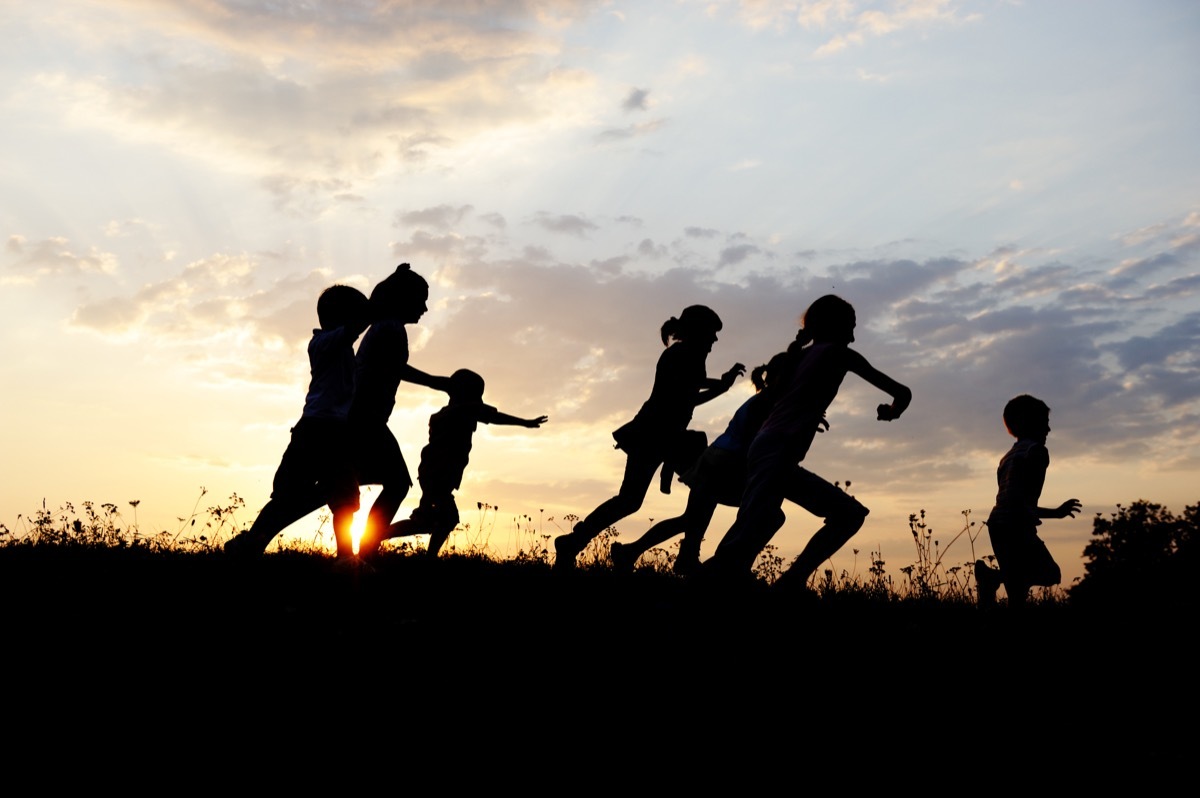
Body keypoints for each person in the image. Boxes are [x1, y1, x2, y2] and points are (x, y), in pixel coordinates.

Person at [708, 295, 912, 587]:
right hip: (777, 448)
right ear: (834, 326)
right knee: (751, 527)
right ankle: (709, 587)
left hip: (771, 448)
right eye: (851, 327)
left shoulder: (798, 358)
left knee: (841, 515)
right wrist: (892, 412)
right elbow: (902, 392)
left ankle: (783, 583)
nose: (853, 337)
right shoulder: (840, 354)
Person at [554, 305, 745, 571]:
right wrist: (721, 388)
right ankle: (575, 542)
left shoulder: (687, 355)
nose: (715, 340)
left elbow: (691, 387)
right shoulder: (682, 355)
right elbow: (687, 395)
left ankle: (576, 543)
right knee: (633, 500)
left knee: (691, 492)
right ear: (698, 331)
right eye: (712, 333)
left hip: (664, 436)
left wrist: (720, 385)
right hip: (654, 435)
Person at [610, 353, 826, 575]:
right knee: (767, 515)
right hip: (724, 468)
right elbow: (757, 445)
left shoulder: (766, 401)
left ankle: (636, 553)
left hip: (714, 464)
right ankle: (722, 569)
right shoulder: (769, 403)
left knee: (693, 520)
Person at [226, 285, 370, 559]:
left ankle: (345, 558)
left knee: (344, 499)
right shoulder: (322, 343)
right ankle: (250, 544)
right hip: (316, 431)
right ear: (341, 316)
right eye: (357, 313)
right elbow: (357, 325)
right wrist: (378, 302)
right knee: (287, 495)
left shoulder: (341, 347)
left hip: (334, 432)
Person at [360, 369, 548, 558]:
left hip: (433, 474)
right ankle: (386, 541)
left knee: (426, 520)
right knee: (446, 518)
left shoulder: (449, 413)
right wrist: (525, 423)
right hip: (438, 475)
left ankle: (381, 539)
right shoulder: (464, 411)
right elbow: (493, 416)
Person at [352, 263, 453, 557]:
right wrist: (436, 382)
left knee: (346, 485)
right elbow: (392, 366)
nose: (424, 307)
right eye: (420, 299)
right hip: (365, 418)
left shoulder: (384, 327)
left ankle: (363, 553)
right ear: (403, 299)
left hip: (364, 417)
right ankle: (365, 553)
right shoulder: (390, 329)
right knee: (395, 483)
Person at [975, 395, 1081, 607]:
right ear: (1025, 422)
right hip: (1015, 524)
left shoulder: (1007, 457)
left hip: (997, 523)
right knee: (1049, 573)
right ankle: (992, 578)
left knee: (1017, 589)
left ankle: (992, 583)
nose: (1048, 430)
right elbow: (1022, 501)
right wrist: (1056, 512)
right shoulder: (1037, 452)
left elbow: (1007, 498)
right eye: (1044, 423)